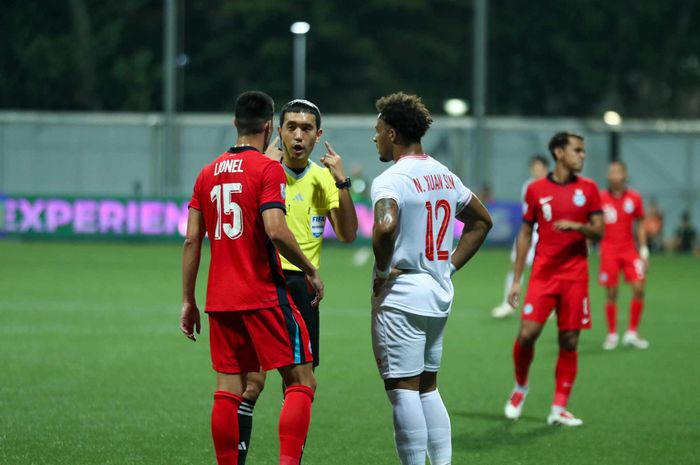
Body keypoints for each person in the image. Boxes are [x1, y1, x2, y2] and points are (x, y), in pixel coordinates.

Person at [179, 91, 324, 465]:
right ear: (269, 127)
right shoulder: (267, 169)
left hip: (219, 300)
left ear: (235, 124)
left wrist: (188, 300)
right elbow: (275, 230)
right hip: (262, 294)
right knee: (301, 381)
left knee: (229, 390)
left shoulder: (206, 173)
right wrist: (310, 270)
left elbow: (192, 238)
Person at [370, 92, 492, 465]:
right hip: (438, 292)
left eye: (377, 130)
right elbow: (481, 221)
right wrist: (449, 266)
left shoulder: (391, 179)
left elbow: (386, 226)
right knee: (427, 386)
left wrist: (379, 272)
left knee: (402, 390)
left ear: (392, 133)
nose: (375, 138)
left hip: (404, 293)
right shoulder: (443, 173)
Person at [237, 99, 358, 465]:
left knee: (298, 385)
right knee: (253, 385)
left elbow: (349, 233)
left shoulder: (322, 179)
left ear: (318, 136)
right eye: (291, 127)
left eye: (307, 129)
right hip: (263, 281)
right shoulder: (263, 171)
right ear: (278, 131)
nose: (298, 135)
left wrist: (342, 182)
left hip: (301, 292)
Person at [504, 132, 603, 426]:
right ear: (559, 153)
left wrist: (578, 226)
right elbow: (524, 233)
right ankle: (520, 387)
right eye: (577, 150)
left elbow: (599, 231)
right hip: (543, 275)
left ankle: (559, 407)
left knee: (569, 340)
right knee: (527, 334)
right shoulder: (536, 190)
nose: (582, 155)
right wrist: (517, 279)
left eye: (583, 151)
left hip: (575, 276)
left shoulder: (589, 189)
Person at [599, 161, 650, 350]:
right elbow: (593, 222)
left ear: (624, 174)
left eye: (617, 172)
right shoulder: (601, 198)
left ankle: (631, 333)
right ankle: (612, 334)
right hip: (608, 251)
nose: (613, 175)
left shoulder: (634, 198)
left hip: (629, 250)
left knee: (639, 287)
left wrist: (644, 250)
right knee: (611, 292)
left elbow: (640, 224)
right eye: (610, 172)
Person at [492, 155, 549, 318]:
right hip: (529, 231)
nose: (537, 171)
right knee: (516, 264)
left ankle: (548, 305)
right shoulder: (527, 186)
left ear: (545, 169)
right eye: (534, 168)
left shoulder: (552, 185)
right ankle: (508, 303)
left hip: (545, 232)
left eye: (540, 168)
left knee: (545, 269)